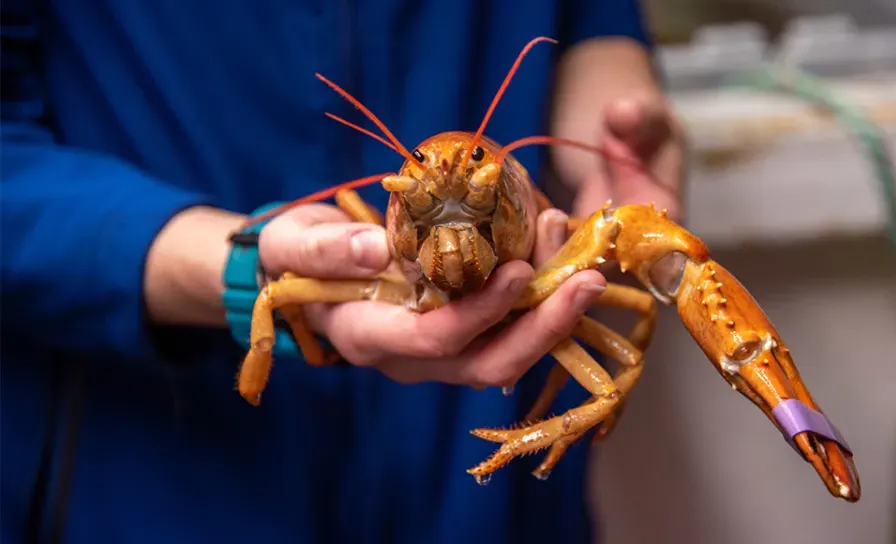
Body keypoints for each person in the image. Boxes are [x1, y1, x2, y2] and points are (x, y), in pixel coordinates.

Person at [1, 1, 685, 542]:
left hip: (497, 488)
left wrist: (615, 122)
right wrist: (237, 265)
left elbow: (593, 24)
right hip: (146, 465)